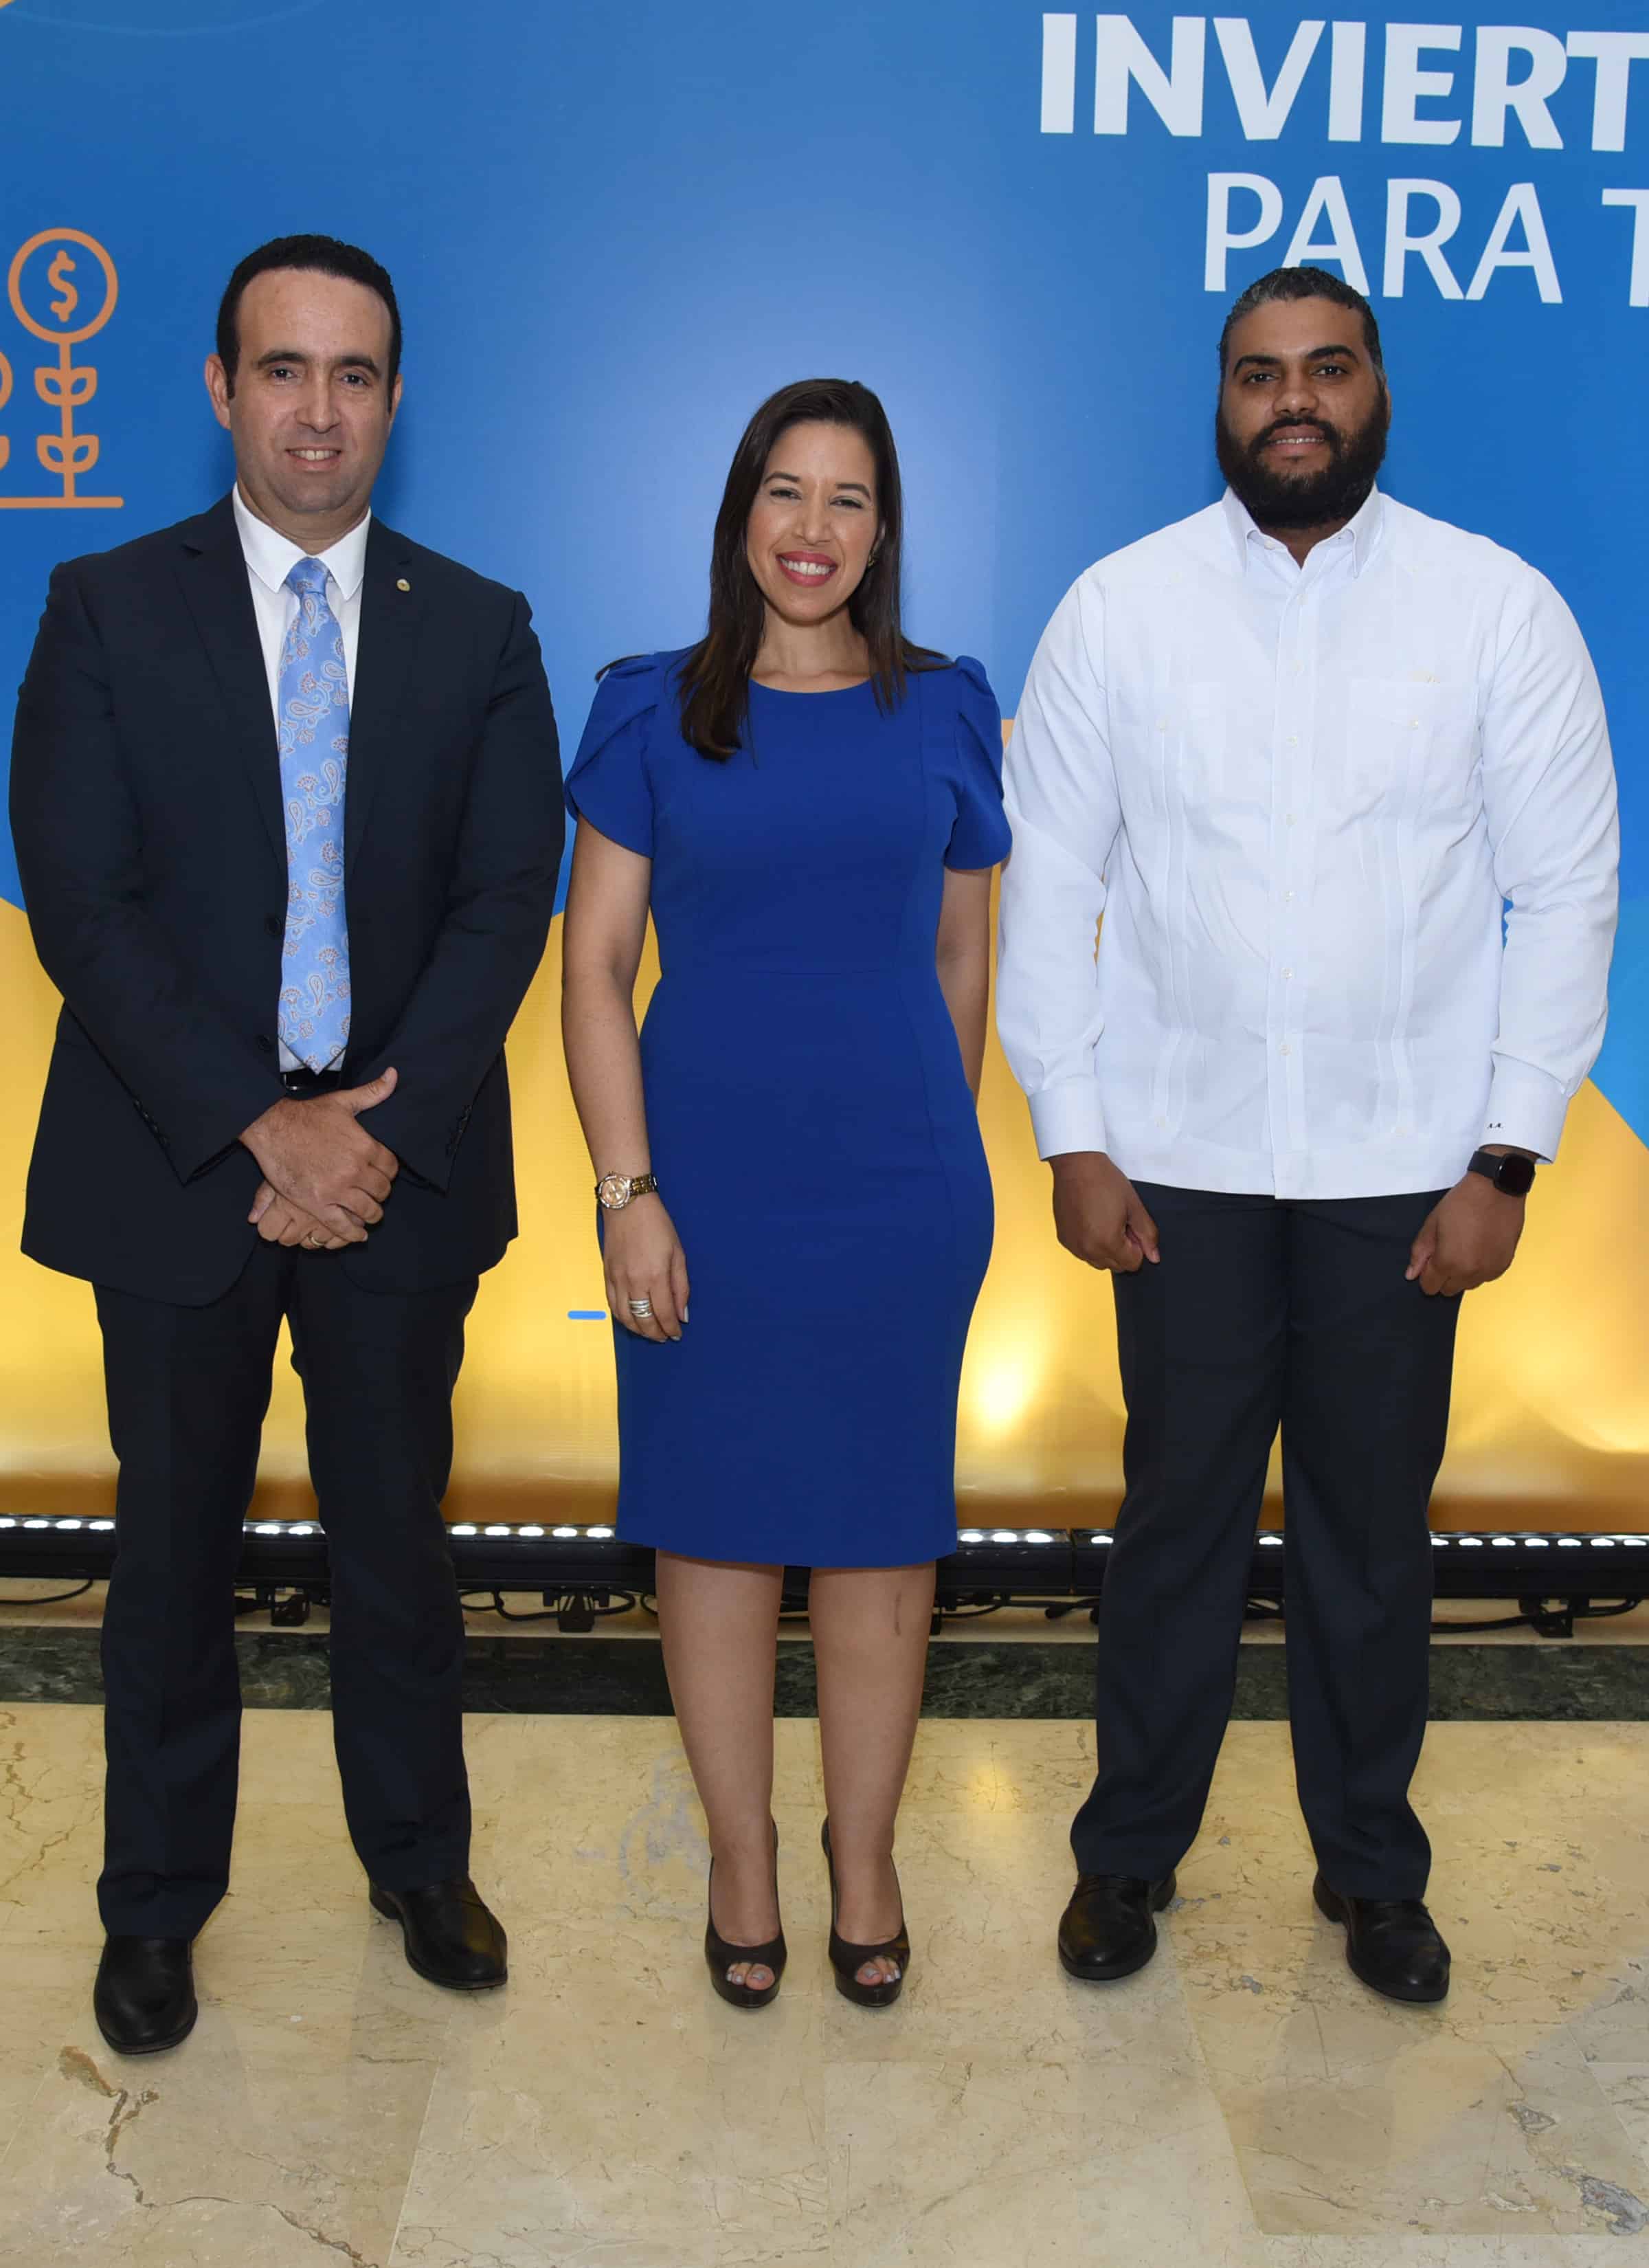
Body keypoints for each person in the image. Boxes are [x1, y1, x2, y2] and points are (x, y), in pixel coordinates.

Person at [997, 265, 1617, 2006]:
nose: (1295, 401)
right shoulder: (1121, 610)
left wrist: (1508, 1155)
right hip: (1174, 1168)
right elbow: (1054, 891)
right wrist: (1074, 1132)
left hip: (1402, 1178)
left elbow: (1566, 891)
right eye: (1260, 374)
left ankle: (1373, 1874)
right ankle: (1129, 1860)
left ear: (1377, 391)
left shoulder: (1496, 611)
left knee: (1370, 1543)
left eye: (1326, 370)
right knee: (1173, 1529)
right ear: (1220, 399)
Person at [10, 234, 563, 2054]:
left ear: (395, 399)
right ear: (220, 388)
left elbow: (504, 900)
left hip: (395, 1167)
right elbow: (80, 901)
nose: (316, 409)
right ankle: (156, 1906)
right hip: (186, 1162)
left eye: (352, 375)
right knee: (172, 1549)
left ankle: (420, 1861)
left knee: (398, 1540)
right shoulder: (103, 605)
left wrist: (361, 1131)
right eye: (282, 370)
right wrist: (261, 1122)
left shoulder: (479, 628)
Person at [560, 379, 1008, 2011]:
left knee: (888, 1543)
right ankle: (742, 1861)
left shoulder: (950, 708)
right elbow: (597, 970)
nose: (814, 531)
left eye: (851, 500)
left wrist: (931, 1149)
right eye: (787, 493)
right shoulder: (648, 709)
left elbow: (965, 952)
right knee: (718, 1534)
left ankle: (864, 1859)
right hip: (705, 1192)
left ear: (884, 530)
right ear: (740, 511)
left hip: (899, 1194)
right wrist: (629, 1192)